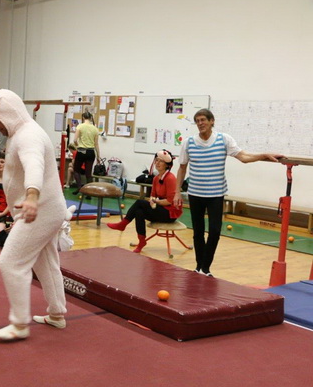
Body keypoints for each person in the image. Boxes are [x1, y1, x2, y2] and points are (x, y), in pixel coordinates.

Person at [0, 89, 68, 341]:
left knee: (10, 262)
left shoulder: (28, 135)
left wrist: (31, 196)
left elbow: (33, 164)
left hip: (40, 209)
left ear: (9, 113)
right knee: (46, 262)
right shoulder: (22, 132)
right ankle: (57, 314)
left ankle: (19, 324)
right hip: (44, 209)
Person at [173, 109, 283, 277]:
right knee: (197, 232)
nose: (200, 123)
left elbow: (243, 157)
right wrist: (177, 192)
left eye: (203, 120)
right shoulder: (188, 142)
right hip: (195, 193)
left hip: (216, 194)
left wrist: (263, 156)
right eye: (197, 121)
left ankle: (205, 267)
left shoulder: (223, 139)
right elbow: (182, 168)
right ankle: (199, 266)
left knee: (215, 231)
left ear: (211, 121)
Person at [107, 150, 182, 253]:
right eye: (156, 160)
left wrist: (156, 201)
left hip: (169, 213)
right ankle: (142, 241)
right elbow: (152, 196)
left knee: (139, 202)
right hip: (159, 208)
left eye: (161, 161)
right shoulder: (156, 178)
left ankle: (123, 224)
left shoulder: (170, 178)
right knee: (139, 212)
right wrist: (152, 201)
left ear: (167, 165)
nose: (157, 163)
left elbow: (169, 201)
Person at [72, 111, 100, 195]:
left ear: (83, 118)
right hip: (91, 152)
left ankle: (80, 188)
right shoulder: (95, 129)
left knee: (76, 170)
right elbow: (96, 144)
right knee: (88, 173)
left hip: (81, 150)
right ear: (91, 118)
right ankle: (89, 193)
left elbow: (74, 140)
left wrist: (77, 146)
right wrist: (98, 156)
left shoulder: (80, 126)